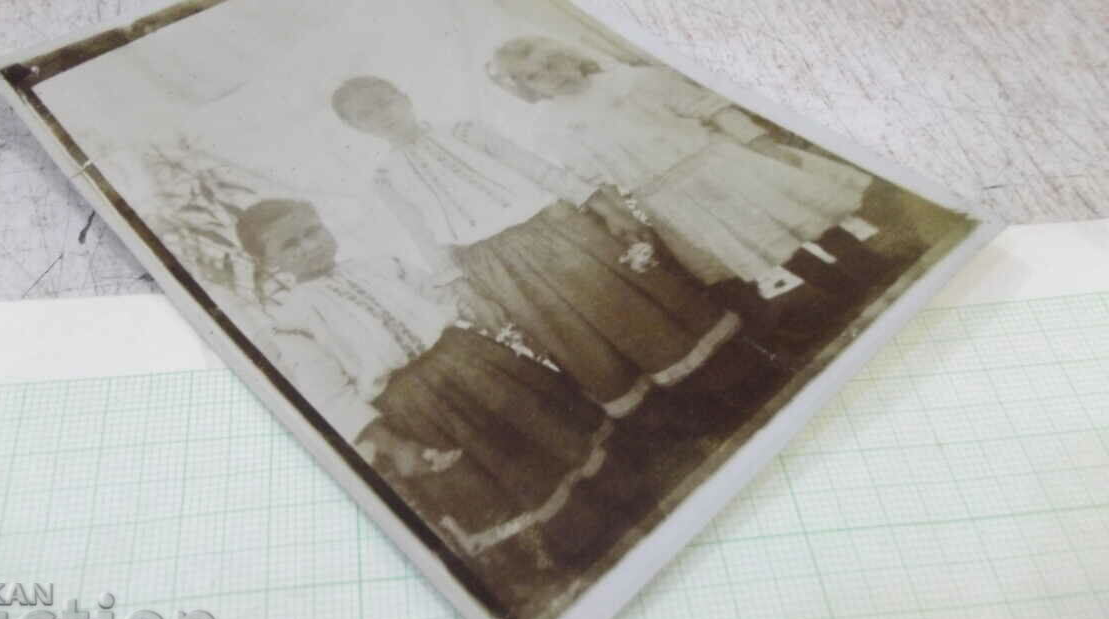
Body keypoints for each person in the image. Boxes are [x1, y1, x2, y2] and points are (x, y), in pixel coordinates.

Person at [330, 76, 759, 420]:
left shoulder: (464, 131)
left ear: (404, 98)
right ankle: (672, 414)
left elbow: (536, 168)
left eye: (385, 102)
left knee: (623, 302)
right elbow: (424, 236)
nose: (382, 115)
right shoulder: (386, 178)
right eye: (366, 114)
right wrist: (462, 287)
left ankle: (728, 380)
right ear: (357, 129)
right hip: (491, 262)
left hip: (554, 231)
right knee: (573, 333)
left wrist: (599, 205)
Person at [233, 197, 613, 564]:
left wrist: (487, 321)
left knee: (540, 430)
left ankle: (615, 493)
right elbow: (333, 396)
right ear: (267, 262)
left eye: (312, 231)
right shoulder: (292, 321)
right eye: (290, 245)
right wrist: (393, 444)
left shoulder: (382, 265)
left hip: (471, 361)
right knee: (498, 468)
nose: (309, 246)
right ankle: (573, 538)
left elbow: (441, 297)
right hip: (417, 405)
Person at [484, 37, 903, 342]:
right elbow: (593, 178)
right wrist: (621, 217)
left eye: (553, 63)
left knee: (799, 220)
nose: (551, 77)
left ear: (570, 56)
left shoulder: (632, 82)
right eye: (534, 76)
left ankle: (870, 268)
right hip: (666, 194)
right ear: (524, 88)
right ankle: (843, 292)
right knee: (764, 244)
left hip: (716, 163)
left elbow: (710, 107)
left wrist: (760, 144)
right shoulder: (554, 128)